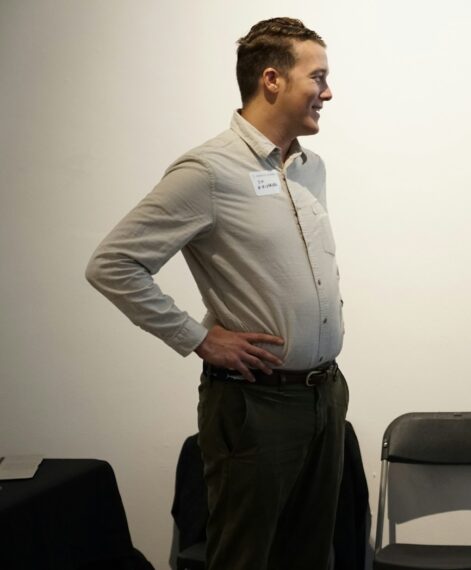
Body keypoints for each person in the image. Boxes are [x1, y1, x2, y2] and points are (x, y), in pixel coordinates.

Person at [86, 17, 347, 569]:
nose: (328, 92)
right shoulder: (208, 171)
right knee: (245, 558)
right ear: (272, 80)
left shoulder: (310, 167)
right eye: (317, 77)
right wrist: (198, 338)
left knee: (311, 556)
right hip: (255, 402)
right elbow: (113, 263)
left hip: (324, 394)